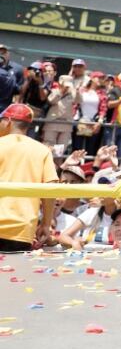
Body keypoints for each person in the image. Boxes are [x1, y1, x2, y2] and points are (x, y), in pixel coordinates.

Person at [0, 104, 58, 251]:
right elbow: (50, 189)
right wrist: (46, 224)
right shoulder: (42, 150)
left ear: (8, 121)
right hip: (22, 229)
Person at [73, 72, 107, 155]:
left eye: (102, 78)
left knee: (90, 149)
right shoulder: (82, 90)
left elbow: (103, 108)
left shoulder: (102, 93)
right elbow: (75, 104)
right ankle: (73, 166)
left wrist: (100, 121)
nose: (100, 80)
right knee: (77, 147)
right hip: (80, 121)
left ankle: (87, 167)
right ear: (91, 78)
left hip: (93, 122)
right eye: (98, 78)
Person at [44, 74, 76, 154]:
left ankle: (58, 165)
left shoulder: (73, 93)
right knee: (48, 146)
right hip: (53, 122)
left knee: (61, 148)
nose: (67, 87)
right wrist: (61, 91)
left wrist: (76, 91)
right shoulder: (54, 91)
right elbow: (51, 101)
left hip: (66, 123)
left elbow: (79, 101)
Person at [0, 44, 25, 110]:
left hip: (6, 105)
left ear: (8, 54)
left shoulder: (17, 68)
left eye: (3, 53)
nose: (1, 54)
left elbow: (20, 89)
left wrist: (16, 106)